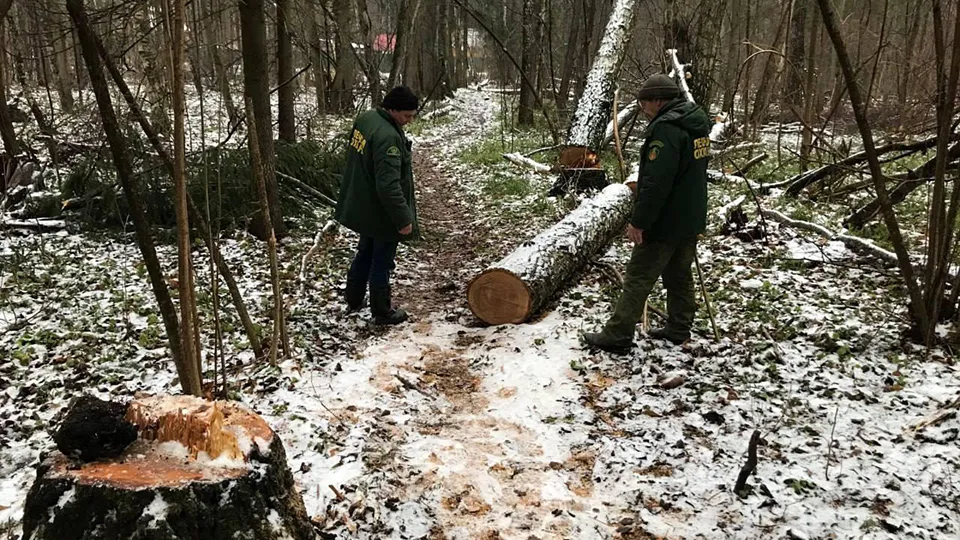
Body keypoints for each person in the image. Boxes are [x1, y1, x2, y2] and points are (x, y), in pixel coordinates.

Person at [582, 74, 711, 353]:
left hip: (666, 219)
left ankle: (618, 334)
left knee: (638, 276)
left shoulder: (666, 130)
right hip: (691, 216)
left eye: (644, 104)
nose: (643, 110)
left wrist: (639, 222)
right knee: (679, 274)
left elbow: (655, 184)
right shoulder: (696, 123)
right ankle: (679, 328)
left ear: (658, 101)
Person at [335, 86, 420, 325]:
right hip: (381, 210)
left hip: (364, 202)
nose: (409, 121)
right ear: (392, 109)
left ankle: (353, 298)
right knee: (382, 259)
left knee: (365, 251)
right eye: (406, 116)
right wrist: (404, 219)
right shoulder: (388, 137)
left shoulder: (367, 118)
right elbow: (389, 186)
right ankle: (382, 311)